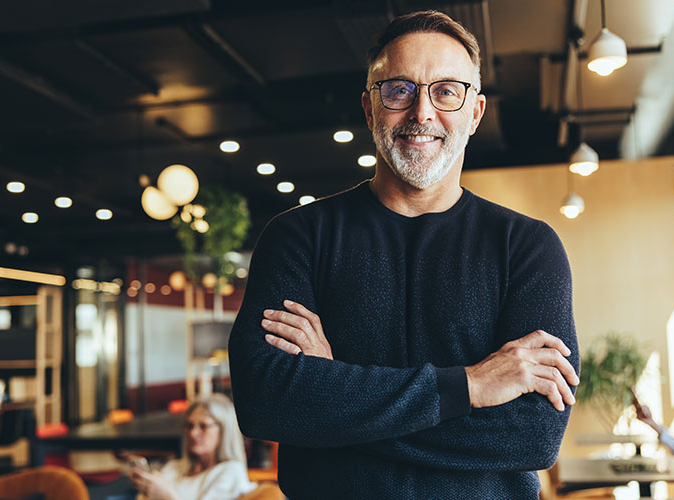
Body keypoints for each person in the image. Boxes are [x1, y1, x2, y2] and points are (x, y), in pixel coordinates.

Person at [228, 10, 580, 500]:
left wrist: (334, 389)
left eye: (446, 91)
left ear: (474, 113)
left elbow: (533, 436)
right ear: (370, 110)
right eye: (398, 89)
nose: (422, 113)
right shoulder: (297, 237)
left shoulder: (527, 247)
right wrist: (471, 387)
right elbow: (266, 402)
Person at [130, 394, 256, 500]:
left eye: (203, 426)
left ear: (224, 431)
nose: (193, 433)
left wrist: (167, 497)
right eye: (190, 426)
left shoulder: (230, 472)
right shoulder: (174, 467)